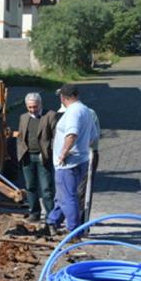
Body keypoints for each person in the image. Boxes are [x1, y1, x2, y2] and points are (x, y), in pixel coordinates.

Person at [46, 84, 98, 236]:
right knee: (63, 196)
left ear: (63, 97)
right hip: (81, 160)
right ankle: (52, 221)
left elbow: (72, 134)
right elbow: (93, 137)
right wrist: (81, 148)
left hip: (68, 163)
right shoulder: (87, 111)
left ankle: (73, 231)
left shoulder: (73, 113)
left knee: (68, 198)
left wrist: (64, 153)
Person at [15, 92, 57, 222]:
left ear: (40, 104)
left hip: (43, 157)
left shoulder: (50, 116)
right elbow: (21, 136)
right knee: (30, 186)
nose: (33, 110)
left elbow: (56, 136)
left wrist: (50, 151)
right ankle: (35, 213)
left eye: (35, 106)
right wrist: (20, 152)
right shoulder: (23, 117)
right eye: (30, 107)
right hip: (28, 156)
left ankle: (51, 216)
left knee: (46, 188)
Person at [78, 108, 100, 224]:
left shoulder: (89, 113)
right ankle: (72, 220)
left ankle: (82, 222)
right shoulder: (63, 112)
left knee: (83, 190)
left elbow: (93, 137)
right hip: (71, 156)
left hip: (86, 155)